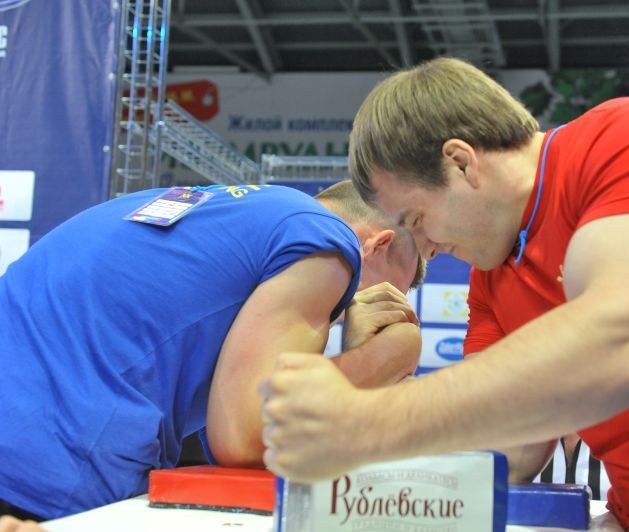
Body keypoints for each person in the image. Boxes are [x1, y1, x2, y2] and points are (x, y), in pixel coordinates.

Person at [260, 57, 629, 530]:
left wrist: (365, 421)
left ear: (461, 162)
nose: (425, 250)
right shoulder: (492, 275)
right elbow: (510, 451)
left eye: (418, 219)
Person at [0, 180, 425, 521]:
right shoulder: (325, 239)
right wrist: (388, 354)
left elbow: (230, 449)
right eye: (390, 295)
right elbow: (246, 437)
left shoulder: (230, 217)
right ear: (378, 244)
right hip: (47, 468)